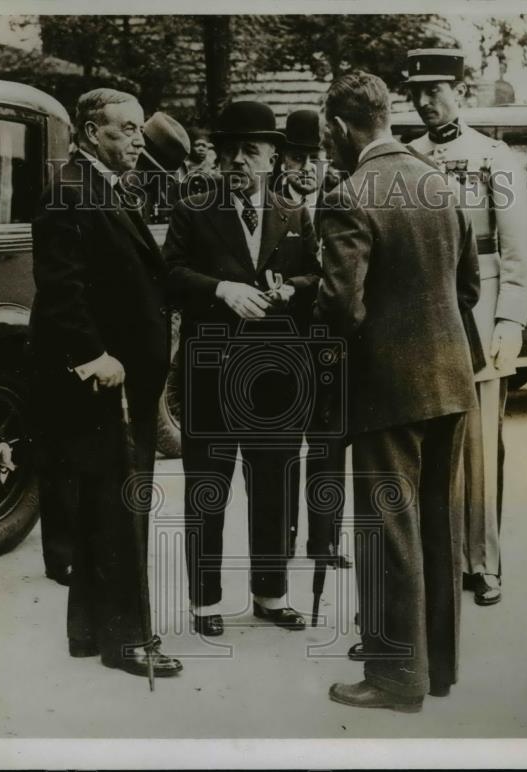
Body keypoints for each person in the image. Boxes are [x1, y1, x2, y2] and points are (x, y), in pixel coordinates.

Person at [317, 71, 481, 712]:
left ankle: (394, 679)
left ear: (337, 126)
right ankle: (436, 671)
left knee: (389, 529)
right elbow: (467, 287)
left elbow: (340, 308)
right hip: (450, 378)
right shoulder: (439, 182)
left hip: (387, 388)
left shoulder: (351, 193)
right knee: (438, 527)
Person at [29, 87, 182, 678]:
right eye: (125, 130)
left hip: (123, 384)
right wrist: (93, 354)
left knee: (105, 508)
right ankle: (129, 641)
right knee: (121, 508)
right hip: (102, 385)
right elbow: (60, 287)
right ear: (92, 134)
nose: (138, 140)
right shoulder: (71, 191)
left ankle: (94, 633)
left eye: (140, 129)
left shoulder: (103, 187)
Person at [164, 100, 321, 637]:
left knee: (274, 484)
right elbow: (169, 276)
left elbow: (316, 279)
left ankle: (271, 595)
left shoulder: (293, 211)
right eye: (228, 150)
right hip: (210, 369)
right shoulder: (193, 204)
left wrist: (290, 289)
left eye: (249, 151)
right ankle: (206, 603)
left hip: (275, 374)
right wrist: (221, 290)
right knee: (208, 484)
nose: (236, 161)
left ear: (273, 156)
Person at [405, 46, 527, 606]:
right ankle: (439, 557)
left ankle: (482, 562)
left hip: (478, 310)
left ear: (460, 90)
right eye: (417, 90)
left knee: (480, 443)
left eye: (436, 89)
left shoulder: (493, 157)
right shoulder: (405, 158)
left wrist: (510, 319)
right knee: (427, 441)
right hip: (420, 315)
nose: (425, 100)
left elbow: (518, 247)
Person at [275, 108, 352, 569]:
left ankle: (324, 543)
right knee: (282, 446)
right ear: (281, 157)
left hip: (328, 335)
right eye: (296, 157)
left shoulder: (340, 195)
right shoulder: (264, 202)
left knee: (329, 442)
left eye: (313, 156)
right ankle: (278, 541)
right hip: (283, 337)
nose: (304, 167)